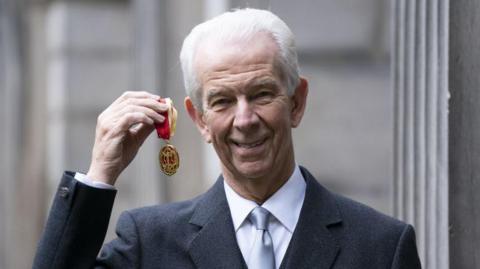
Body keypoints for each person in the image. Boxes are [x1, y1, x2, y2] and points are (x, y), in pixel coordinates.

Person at [33, 8, 421, 269]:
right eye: (221, 101)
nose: (245, 119)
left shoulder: (382, 246)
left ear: (297, 102)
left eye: (262, 94)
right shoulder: (148, 243)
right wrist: (101, 172)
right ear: (199, 119)